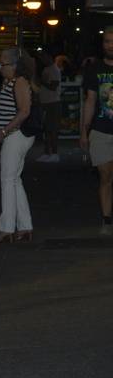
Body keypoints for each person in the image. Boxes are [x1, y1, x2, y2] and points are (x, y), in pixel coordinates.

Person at [0, 48, 36, 243]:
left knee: (7, 180)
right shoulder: (10, 82)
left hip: (15, 135)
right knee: (15, 180)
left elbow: (24, 111)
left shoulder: (19, 82)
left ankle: (6, 228)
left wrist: (4, 131)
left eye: (4, 64)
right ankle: (25, 227)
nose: (0, 67)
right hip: (13, 135)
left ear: (14, 65)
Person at [79, 26, 113, 236]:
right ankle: (106, 220)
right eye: (107, 41)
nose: (111, 45)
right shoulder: (95, 69)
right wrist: (84, 132)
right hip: (100, 131)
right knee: (105, 176)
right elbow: (90, 101)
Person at [37, 51, 62, 163]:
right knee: (46, 129)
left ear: (49, 57)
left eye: (43, 57)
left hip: (53, 103)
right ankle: (47, 152)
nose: (42, 60)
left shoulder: (54, 69)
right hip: (46, 102)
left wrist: (42, 82)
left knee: (53, 129)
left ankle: (55, 153)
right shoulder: (46, 69)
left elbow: (53, 86)